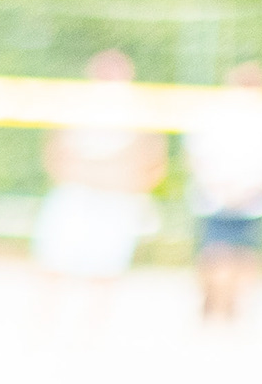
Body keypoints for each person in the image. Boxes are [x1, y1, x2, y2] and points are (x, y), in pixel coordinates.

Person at [36, 47, 167, 314]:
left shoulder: (140, 110)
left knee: (106, 266)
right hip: (77, 192)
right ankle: (46, 319)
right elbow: (53, 150)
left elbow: (155, 159)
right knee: (55, 260)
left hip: (117, 197)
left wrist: (133, 187)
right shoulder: (75, 104)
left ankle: (93, 325)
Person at [187, 62, 262, 328]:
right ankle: (221, 310)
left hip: (236, 198)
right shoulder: (215, 114)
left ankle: (226, 311)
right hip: (230, 198)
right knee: (226, 256)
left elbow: (196, 157)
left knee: (229, 256)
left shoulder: (214, 114)